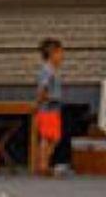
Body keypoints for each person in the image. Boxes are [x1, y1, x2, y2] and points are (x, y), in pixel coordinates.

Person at [31, 38, 74, 176]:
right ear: (52, 53)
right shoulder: (47, 70)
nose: (62, 56)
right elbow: (43, 89)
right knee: (48, 137)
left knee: (53, 137)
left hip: (53, 108)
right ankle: (42, 164)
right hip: (48, 108)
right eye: (60, 53)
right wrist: (40, 102)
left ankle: (43, 162)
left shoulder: (52, 70)